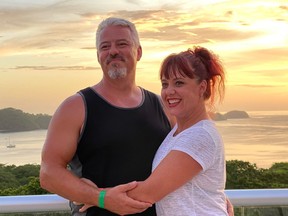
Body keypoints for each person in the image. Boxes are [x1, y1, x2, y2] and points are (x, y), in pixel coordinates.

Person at [40, 17, 233, 216]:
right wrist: (98, 197)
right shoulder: (76, 107)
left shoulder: (164, 107)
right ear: (98, 55)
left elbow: (189, 165)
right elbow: (48, 174)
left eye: (122, 44)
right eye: (105, 46)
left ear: (138, 52)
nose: (113, 51)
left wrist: (212, 197)